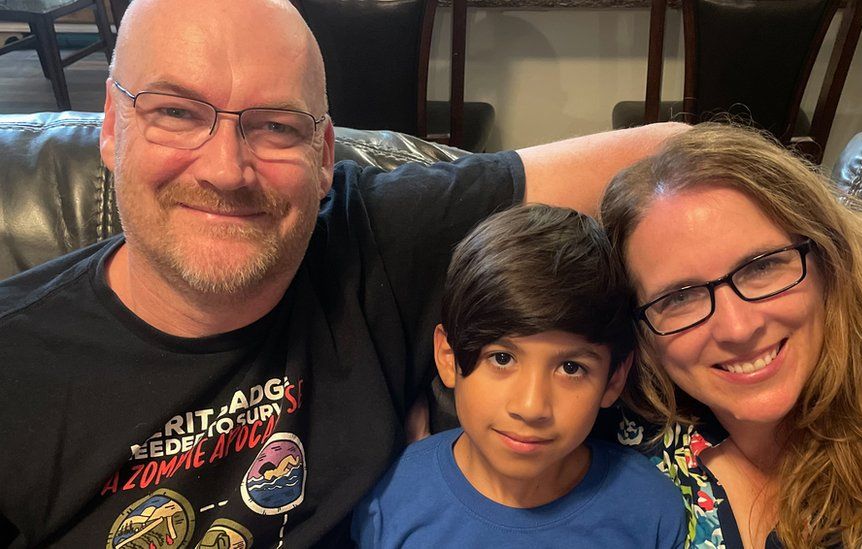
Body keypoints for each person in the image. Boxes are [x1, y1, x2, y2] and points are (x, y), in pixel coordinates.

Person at [0, 0, 686, 546]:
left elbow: (677, 157)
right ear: (112, 127)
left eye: (275, 127)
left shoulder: (376, 236)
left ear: (325, 154)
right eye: (177, 113)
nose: (225, 169)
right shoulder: (19, 360)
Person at [599, 123, 862, 548]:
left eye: (762, 266)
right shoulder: (614, 439)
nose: (738, 329)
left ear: (829, 262)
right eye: (680, 297)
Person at [351, 204, 687, 548]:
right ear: (449, 357)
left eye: (571, 368)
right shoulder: (389, 498)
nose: (531, 407)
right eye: (501, 358)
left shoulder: (649, 511)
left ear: (614, 379)